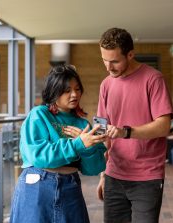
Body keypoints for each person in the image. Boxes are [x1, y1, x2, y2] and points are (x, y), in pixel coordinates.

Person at [10, 65, 107, 223]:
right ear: (54, 91)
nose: (74, 94)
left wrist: (86, 148)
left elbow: (95, 168)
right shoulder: (39, 114)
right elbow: (39, 156)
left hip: (70, 188)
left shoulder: (83, 124)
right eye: (67, 90)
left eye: (77, 89)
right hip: (37, 187)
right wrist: (77, 144)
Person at [96, 27, 173, 223]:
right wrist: (103, 173)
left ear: (130, 54)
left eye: (114, 61)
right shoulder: (106, 84)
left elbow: (164, 126)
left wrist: (125, 132)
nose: (108, 67)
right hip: (114, 174)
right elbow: (102, 130)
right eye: (104, 60)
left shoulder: (153, 78)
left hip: (147, 176)